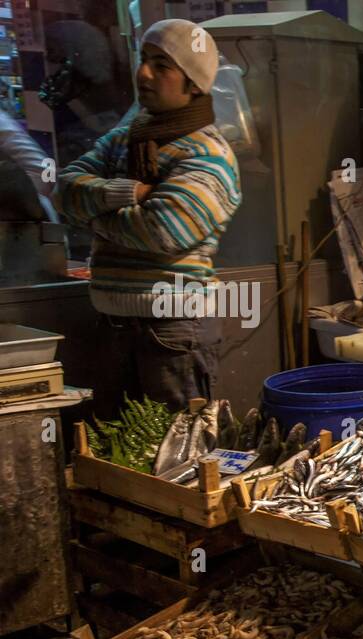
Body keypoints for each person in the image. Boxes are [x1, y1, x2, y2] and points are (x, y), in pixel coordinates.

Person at [57, 19, 240, 411]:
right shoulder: (124, 139)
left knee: (181, 459)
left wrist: (94, 218)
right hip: (113, 324)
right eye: (144, 60)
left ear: (193, 81)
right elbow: (65, 190)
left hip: (174, 329)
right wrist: (125, 192)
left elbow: (162, 231)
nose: (144, 73)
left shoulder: (208, 153)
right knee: (120, 453)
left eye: (162, 65)